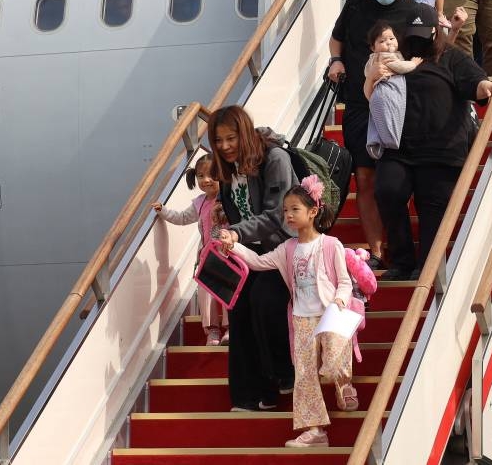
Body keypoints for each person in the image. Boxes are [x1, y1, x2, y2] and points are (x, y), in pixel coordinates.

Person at [369, 9, 492, 280]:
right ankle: (401, 261)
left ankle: (428, 266)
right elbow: (371, 92)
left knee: (433, 206)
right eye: (412, 36)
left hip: (441, 150)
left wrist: (487, 86)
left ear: (436, 31)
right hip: (398, 148)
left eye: (424, 35)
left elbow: (475, 81)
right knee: (388, 191)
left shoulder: (451, 56)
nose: (418, 41)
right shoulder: (393, 57)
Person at [222, 176, 356, 448]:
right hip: (301, 319)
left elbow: (344, 282)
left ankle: (343, 385)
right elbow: (258, 262)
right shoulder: (287, 248)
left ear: (313, 212)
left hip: (331, 314)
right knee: (305, 374)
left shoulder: (331, 245)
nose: (289, 215)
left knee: (332, 366)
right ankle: (315, 430)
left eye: (295, 209)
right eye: (285, 211)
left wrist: (340, 302)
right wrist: (233, 245)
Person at [327, 0, 439, 266]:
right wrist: (336, 60)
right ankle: (377, 251)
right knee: (364, 177)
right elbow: (337, 40)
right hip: (361, 104)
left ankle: (407, 247)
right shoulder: (356, 3)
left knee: (398, 178)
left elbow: (424, 57)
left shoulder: (414, 10)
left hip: (400, 107)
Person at [208, 106, 297, 411]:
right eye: (218, 141)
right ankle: (247, 396)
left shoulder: (275, 160)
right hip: (247, 254)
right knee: (238, 306)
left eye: (231, 138)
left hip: (283, 249)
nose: (225, 146)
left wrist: (234, 232)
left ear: (244, 134)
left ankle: (282, 375)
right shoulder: (226, 173)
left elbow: (277, 215)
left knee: (264, 300)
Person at [151, 154, 229, 346]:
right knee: (206, 292)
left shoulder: (228, 198)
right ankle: (212, 330)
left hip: (228, 255)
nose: (206, 180)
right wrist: (163, 211)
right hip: (207, 257)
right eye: (201, 176)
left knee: (228, 291)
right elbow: (182, 218)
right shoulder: (199, 202)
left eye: (212, 175)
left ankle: (229, 328)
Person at [361, 21, 421, 159]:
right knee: (389, 120)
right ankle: (387, 140)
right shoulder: (385, 57)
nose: (388, 43)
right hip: (385, 94)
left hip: (379, 95)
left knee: (379, 120)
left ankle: (378, 141)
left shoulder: (374, 59)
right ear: (373, 47)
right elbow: (400, 67)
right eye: (382, 41)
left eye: (391, 38)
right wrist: (413, 63)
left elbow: (366, 71)